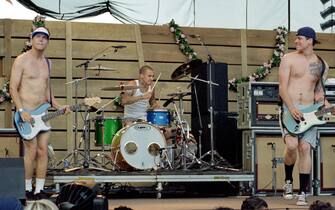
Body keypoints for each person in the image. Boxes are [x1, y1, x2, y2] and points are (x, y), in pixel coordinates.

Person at [10, 25, 70, 200]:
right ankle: (27, 189)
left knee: (43, 151)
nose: (41, 39)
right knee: (32, 150)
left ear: (48, 41)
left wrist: (59, 106)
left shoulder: (48, 63)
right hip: (25, 114)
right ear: (32, 39)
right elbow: (13, 88)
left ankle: (40, 190)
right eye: (38, 36)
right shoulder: (21, 60)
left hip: (42, 115)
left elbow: (47, 91)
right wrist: (21, 110)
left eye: (44, 37)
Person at [278, 26, 331, 206]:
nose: (296, 41)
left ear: (310, 40)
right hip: (290, 108)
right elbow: (282, 88)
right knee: (292, 145)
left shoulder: (322, 64)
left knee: (305, 148)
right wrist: (291, 107)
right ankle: (288, 181)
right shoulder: (288, 58)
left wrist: (326, 104)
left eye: (299, 38)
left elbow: (318, 92)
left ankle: (302, 192)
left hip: (310, 112)